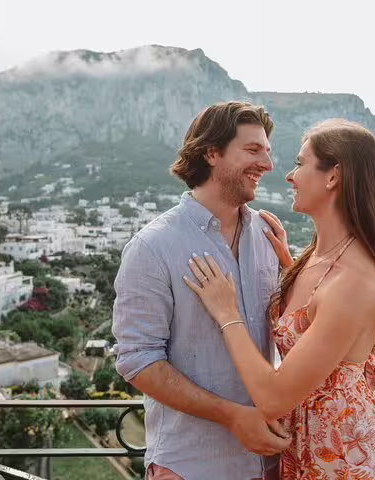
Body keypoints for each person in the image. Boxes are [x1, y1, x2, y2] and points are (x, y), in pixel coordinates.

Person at [185, 119, 375, 479]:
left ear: (333, 176)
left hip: (345, 460)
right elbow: (315, 319)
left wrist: (227, 312)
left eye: (300, 163)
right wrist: (292, 270)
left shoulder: (353, 280)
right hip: (312, 450)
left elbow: (274, 398)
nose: (289, 175)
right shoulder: (320, 258)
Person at [112, 101, 291, 480]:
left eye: (268, 152)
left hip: (272, 465)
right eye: (253, 150)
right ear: (212, 152)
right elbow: (137, 360)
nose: (268, 165)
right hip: (192, 466)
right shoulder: (153, 247)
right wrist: (232, 416)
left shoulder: (268, 235)